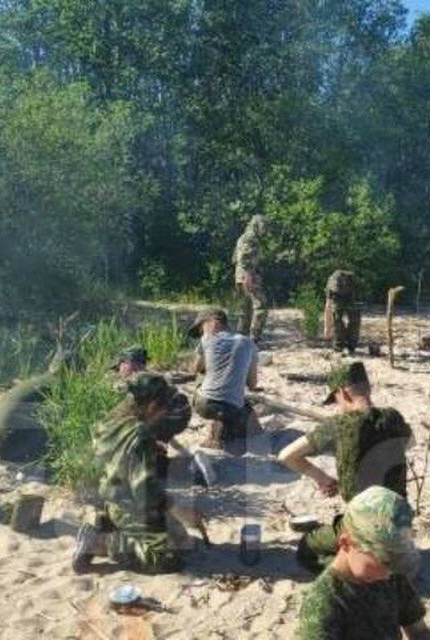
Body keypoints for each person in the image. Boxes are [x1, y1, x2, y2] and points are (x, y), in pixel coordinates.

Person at [278, 361, 412, 573]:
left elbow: (286, 455)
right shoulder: (393, 417)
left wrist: (320, 477)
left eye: (336, 399)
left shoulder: (337, 426)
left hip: (363, 528)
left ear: (342, 393)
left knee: (307, 549)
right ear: (368, 387)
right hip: (400, 523)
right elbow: (408, 443)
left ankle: (354, 567)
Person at [72, 373, 192, 574]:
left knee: (182, 539)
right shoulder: (140, 436)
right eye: (163, 408)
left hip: (106, 497)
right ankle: (100, 543)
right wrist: (176, 507)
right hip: (126, 505)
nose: (164, 413)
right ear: (153, 406)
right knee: (170, 559)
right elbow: (145, 492)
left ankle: (107, 524)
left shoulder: (113, 421)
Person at [296, 486, 430, 640]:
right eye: (383, 559)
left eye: (396, 559)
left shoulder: (392, 575)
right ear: (346, 543)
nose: (387, 572)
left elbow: (419, 631)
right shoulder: (323, 604)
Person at [189, 308, 262, 453]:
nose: (200, 333)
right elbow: (252, 384)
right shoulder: (249, 344)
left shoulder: (207, 339)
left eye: (201, 328)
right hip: (233, 407)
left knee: (202, 372)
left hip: (205, 405)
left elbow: (194, 369)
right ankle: (232, 427)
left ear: (211, 322)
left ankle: (216, 434)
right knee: (235, 394)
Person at [233, 214, 269, 342]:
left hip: (241, 275)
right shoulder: (250, 238)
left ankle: (241, 339)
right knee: (260, 306)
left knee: (245, 309)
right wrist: (249, 276)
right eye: (263, 226)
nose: (265, 230)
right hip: (247, 275)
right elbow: (245, 258)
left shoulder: (245, 237)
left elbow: (236, 259)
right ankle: (254, 339)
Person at [324, 269, 361, 354]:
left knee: (354, 319)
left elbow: (356, 317)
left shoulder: (354, 283)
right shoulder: (332, 285)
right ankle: (339, 345)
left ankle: (351, 345)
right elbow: (328, 306)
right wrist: (326, 328)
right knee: (337, 318)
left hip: (352, 293)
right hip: (339, 293)